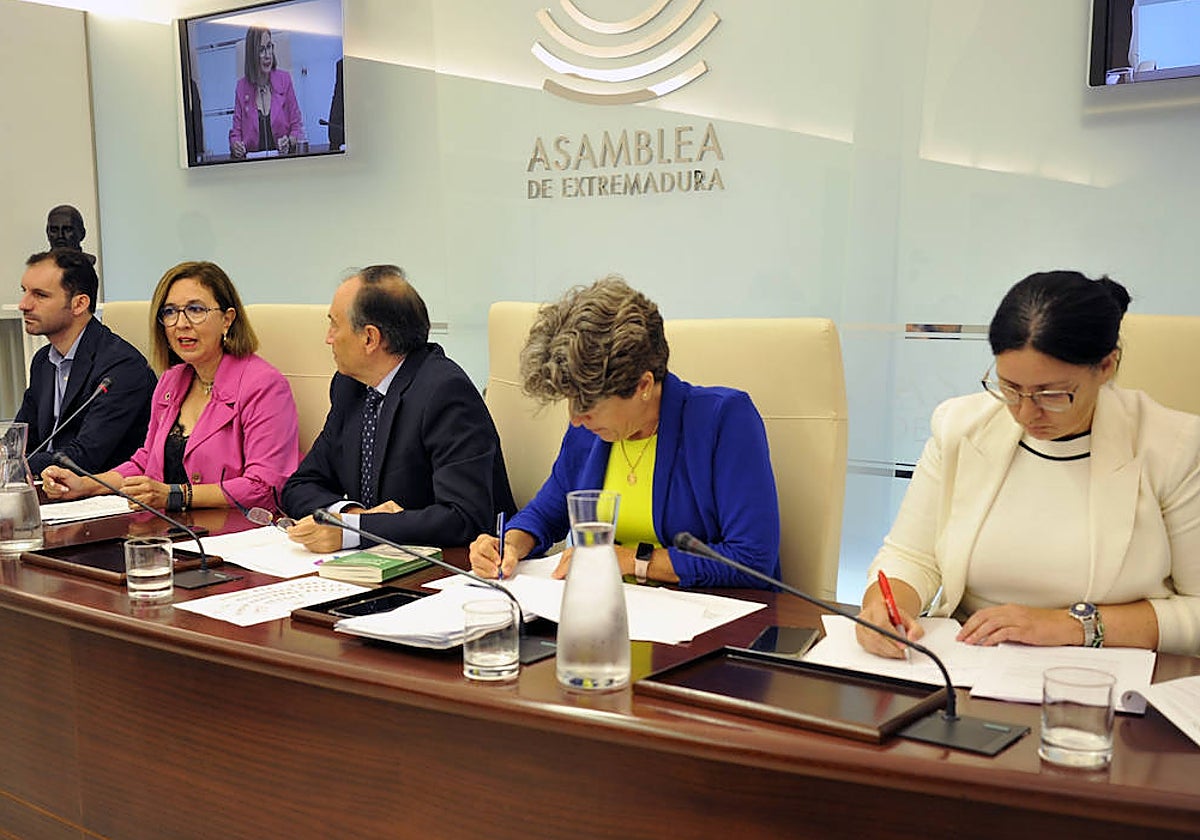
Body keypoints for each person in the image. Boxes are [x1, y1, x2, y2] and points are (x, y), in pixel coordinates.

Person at [857, 270, 1200, 658]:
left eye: (1051, 394)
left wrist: (1069, 626)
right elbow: (911, 555)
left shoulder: (1173, 448)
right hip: (969, 663)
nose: (1025, 412)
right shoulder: (961, 427)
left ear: (1106, 366)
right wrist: (886, 607)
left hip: (1103, 673)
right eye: (1010, 388)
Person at [468, 276, 781, 589]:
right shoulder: (590, 431)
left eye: (588, 403)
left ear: (643, 385)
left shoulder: (723, 419)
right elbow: (546, 513)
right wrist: (508, 544)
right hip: (615, 604)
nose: (575, 418)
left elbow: (751, 560)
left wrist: (631, 561)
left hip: (713, 612)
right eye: (571, 400)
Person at [282, 265, 515, 550]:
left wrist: (355, 530)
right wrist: (351, 516)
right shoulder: (350, 387)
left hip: (452, 565)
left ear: (370, 338)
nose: (328, 338)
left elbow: (464, 517)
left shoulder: (444, 392)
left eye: (335, 325)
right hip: (373, 563)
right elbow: (300, 486)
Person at [40, 261, 299, 513]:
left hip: (235, 529)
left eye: (196, 310)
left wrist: (175, 495)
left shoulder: (264, 385)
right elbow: (145, 462)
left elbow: (265, 487)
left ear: (227, 319)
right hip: (170, 526)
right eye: (170, 312)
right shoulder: (171, 380)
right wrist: (85, 485)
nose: (181, 324)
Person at [15, 249, 155, 475]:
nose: (24, 304)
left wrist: (13, 465)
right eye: (25, 291)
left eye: (40, 295)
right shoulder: (43, 361)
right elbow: (21, 440)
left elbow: (83, 458)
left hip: (102, 490)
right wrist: (9, 458)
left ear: (79, 304)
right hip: (45, 484)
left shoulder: (122, 367)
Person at [228, 26, 305, 159]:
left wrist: (289, 141)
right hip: (254, 165)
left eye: (269, 47)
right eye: (261, 50)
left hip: (283, 161)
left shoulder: (284, 80)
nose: (267, 55)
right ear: (252, 54)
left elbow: (296, 126)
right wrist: (236, 145)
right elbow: (236, 133)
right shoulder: (242, 87)